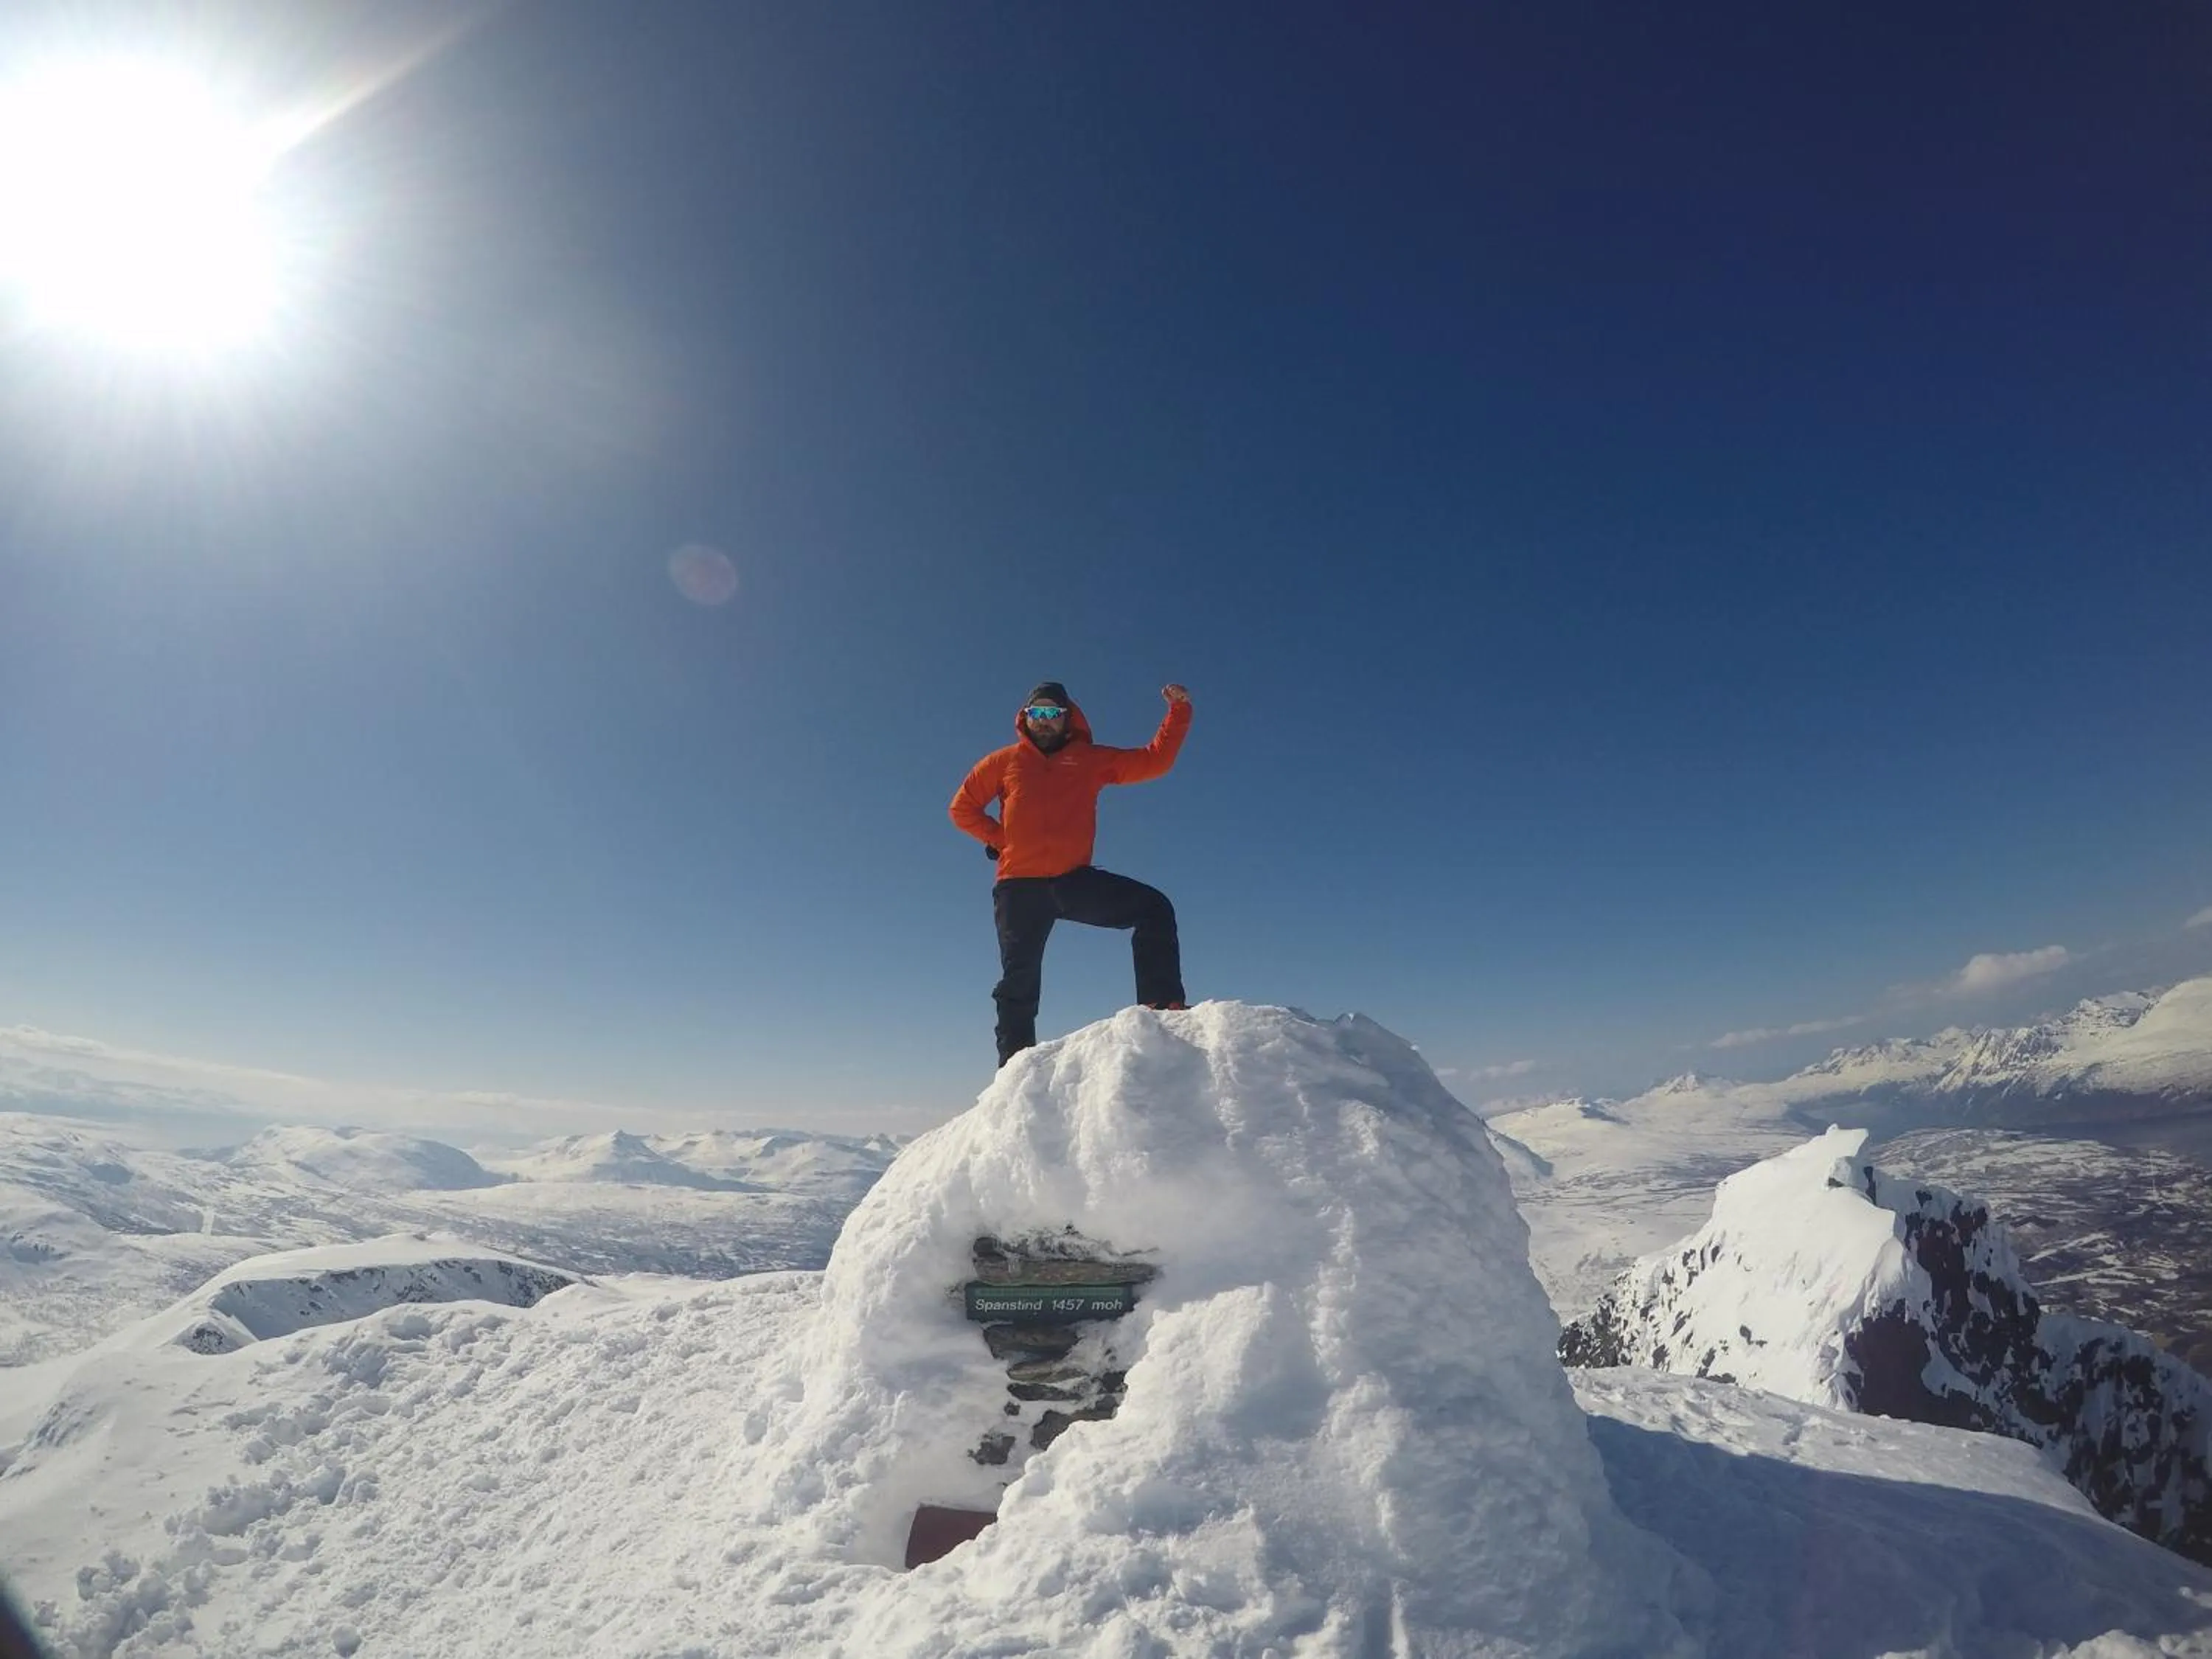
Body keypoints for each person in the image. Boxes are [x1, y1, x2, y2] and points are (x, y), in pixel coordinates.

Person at [949, 681, 1193, 1066]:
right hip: (1019, 888)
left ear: (1068, 719)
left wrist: (1178, 714)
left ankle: (1161, 1007)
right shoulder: (1003, 762)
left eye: (1052, 714)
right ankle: (1016, 1071)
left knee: (1153, 908)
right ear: (1025, 719)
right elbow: (962, 808)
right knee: (1019, 981)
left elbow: (1154, 761)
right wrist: (999, 837)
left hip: (1072, 881)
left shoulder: (1090, 760)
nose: (1044, 721)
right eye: (1037, 714)